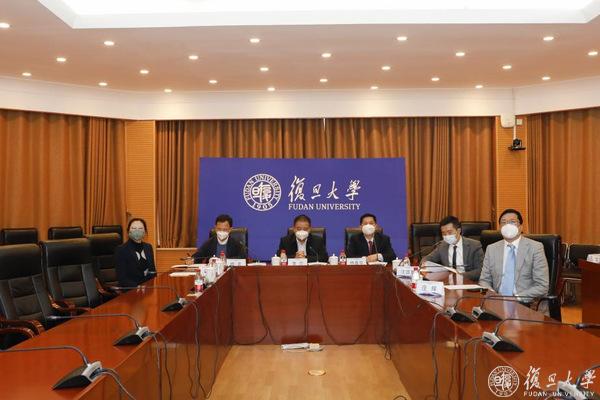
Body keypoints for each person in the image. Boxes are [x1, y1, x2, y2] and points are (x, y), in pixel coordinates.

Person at [479, 209, 549, 298]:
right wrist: (493, 295)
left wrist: (517, 298)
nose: (508, 225)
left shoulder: (535, 248)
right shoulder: (491, 249)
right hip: (497, 300)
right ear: (500, 228)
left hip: (524, 300)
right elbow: (484, 280)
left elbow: (542, 286)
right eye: (504, 222)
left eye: (512, 222)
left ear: (521, 227)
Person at [421, 215, 484, 281]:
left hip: (468, 281)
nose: (446, 236)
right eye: (443, 233)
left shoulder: (474, 245)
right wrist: (424, 264)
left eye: (449, 232)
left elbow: (480, 271)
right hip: (448, 282)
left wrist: (460, 275)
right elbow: (427, 258)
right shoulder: (442, 246)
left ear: (458, 230)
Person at [115, 218, 156, 287]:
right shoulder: (121, 250)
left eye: (140, 228)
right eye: (133, 228)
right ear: (128, 231)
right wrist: (138, 287)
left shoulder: (148, 247)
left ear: (145, 232)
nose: (137, 231)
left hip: (148, 288)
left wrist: (152, 285)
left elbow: (153, 272)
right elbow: (122, 278)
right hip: (131, 289)